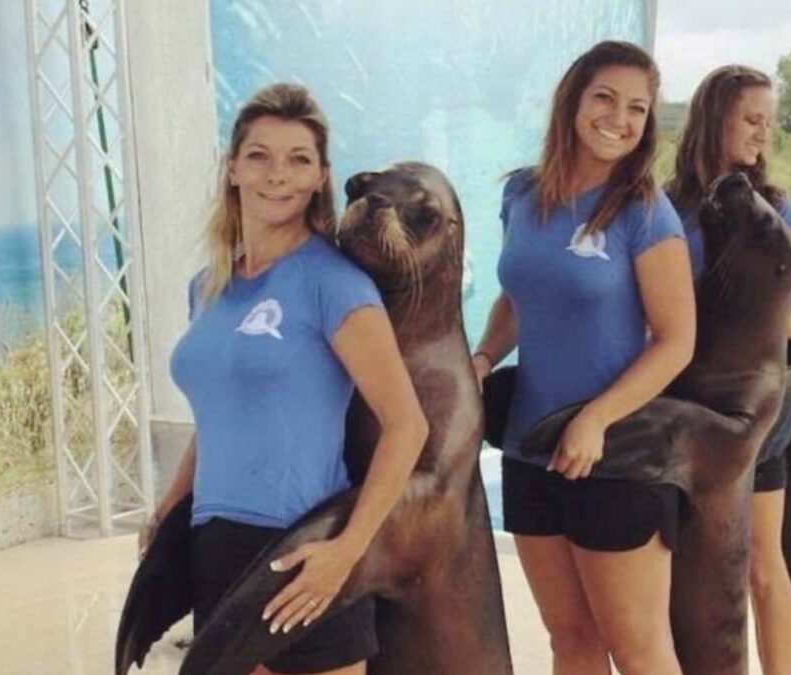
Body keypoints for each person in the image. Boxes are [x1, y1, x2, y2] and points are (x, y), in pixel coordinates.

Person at [141, 83, 428, 675]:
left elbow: (407, 425)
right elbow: (220, 413)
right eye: (259, 156)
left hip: (301, 549)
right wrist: (172, 503)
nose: (277, 175)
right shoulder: (207, 287)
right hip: (215, 547)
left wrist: (347, 552)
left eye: (298, 160)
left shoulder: (334, 284)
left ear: (320, 177)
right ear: (232, 168)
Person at [472, 41, 695, 675]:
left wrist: (596, 418)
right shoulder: (522, 194)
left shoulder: (644, 211)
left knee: (638, 649)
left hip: (616, 455)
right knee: (570, 640)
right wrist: (484, 355)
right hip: (529, 452)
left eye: (637, 108)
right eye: (605, 98)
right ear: (572, 100)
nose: (619, 119)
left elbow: (676, 340)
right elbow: (520, 297)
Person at [666, 64, 791, 675]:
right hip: (680, 404)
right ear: (714, 119)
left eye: (769, 123)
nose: (763, 134)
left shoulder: (777, 207)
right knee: (682, 559)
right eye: (752, 119)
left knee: (761, 559)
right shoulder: (666, 208)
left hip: (750, 413)